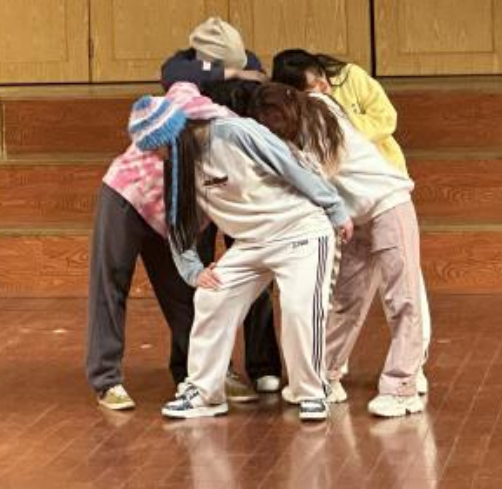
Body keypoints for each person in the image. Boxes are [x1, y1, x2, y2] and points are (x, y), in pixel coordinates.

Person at [206, 80, 432, 417]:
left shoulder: (320, 112)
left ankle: (402, 387)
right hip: (352, 219)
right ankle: (324, 377)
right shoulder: (291, 132)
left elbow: (310, 182)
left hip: (387, 204)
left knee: (403, 299)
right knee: (345, 301)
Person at [125, 94, 354, 421]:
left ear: (173, 136)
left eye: (157, 148)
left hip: (299, 230)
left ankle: (311, 392)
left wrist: (334, 207)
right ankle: (204, 393)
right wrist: (193, 271)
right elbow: (178, 224)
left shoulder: (233, 133)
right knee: (211, 296)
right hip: (251, 243)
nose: (156, 157)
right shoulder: (178, 167)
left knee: (298, 308)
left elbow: (292, 164)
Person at [85, 83, 253, 410]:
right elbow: (178, 85)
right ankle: (107, 379)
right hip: (127, 195)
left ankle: (201, 373)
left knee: (188, 291)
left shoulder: (236, 136)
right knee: (111, 283)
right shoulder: (190, 109)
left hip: (176, 216)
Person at [161, 17, 282, 395]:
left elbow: (257, 77)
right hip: (196, 179)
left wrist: (231, 72)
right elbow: (172, 76)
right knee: (197, 275)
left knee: (255, 269)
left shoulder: (247, 59)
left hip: (236, 179)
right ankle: (191, 366)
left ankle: (263, 364)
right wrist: (229, 73)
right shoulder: (181, 65)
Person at [272, 50, 407, 176]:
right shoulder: (294, 110)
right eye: (313, 85)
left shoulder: (351, 75)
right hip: (340, 177)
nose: (324, 84)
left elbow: (386, 120)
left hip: (383, 165)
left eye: (320, 74)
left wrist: (338, 119)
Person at [161, 16, 268, 89]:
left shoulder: (247, 59)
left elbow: (260, 79)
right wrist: (234, 73)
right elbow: (170, 74)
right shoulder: (185, 63)